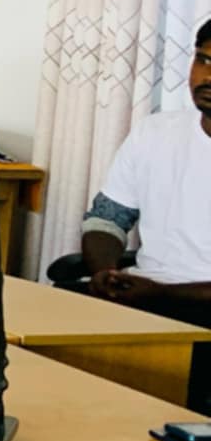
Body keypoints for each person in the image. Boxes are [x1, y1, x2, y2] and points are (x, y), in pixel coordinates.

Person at [78, 17, 211, 327]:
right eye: (203, 60)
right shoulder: (154, 132)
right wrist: (106, 274)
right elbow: (106, 220)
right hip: (142, 297)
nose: (208, 76)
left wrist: (162, 294)